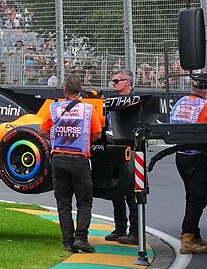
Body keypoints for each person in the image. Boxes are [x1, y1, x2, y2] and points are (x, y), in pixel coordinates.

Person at [40, 75, 102, 253]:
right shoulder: (89, 109)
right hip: (79, 159)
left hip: (58, 158)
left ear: (65, 91)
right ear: (80, 91)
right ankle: (81, 238)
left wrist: (58, 136)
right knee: (84, 201)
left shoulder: (53, 108)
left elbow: (43, 131)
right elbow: (97, 135)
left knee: (63, 202)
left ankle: (68, 242)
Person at [169, 77, 207, 254]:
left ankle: (195, 235)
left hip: (181, 155)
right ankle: (188, 237)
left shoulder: (181, 102)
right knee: (198, 198)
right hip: (197, 155)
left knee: (191, 196)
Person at [105, 69, 139, 245]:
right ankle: (120, 227)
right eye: (113, 80)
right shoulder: (110, 101)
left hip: (131, 150)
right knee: (115, 189)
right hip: (113, 148)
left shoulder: (136, 102)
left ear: (128, 82)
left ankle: (135, 232)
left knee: (132, 193)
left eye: (117, 80)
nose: (114, 83)